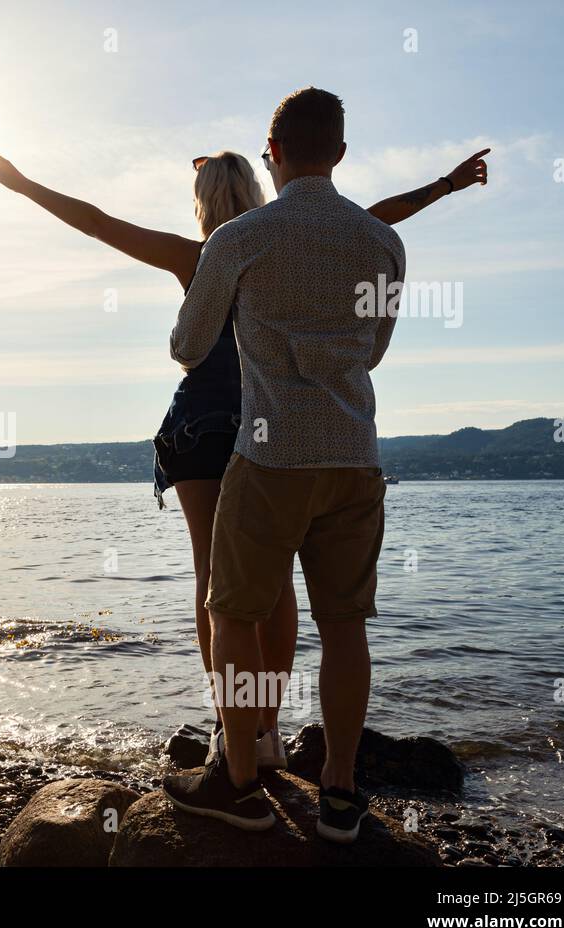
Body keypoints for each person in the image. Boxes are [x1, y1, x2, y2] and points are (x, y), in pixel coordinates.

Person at [0, 137, 488, 775]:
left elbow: (98, 223)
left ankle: (233, 734)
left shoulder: (198, 255)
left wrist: (26, 185)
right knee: (275, 588)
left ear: (202, 201)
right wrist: (445, 185)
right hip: (270, 424)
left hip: (201, 426)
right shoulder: (292, 240)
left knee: (215, 586)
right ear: (259, 187)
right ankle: (268, 729)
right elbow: (381, 214)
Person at [162, 87, 487, 843]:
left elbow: (186, 346)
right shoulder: (381, 243)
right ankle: (340, 792)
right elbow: (371, 350)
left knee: (230, 610)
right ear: (340, 152)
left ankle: (238, 776)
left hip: (270, 455)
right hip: (354, 453)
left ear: (272, 154)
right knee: (345, 626)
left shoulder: (239, 240)